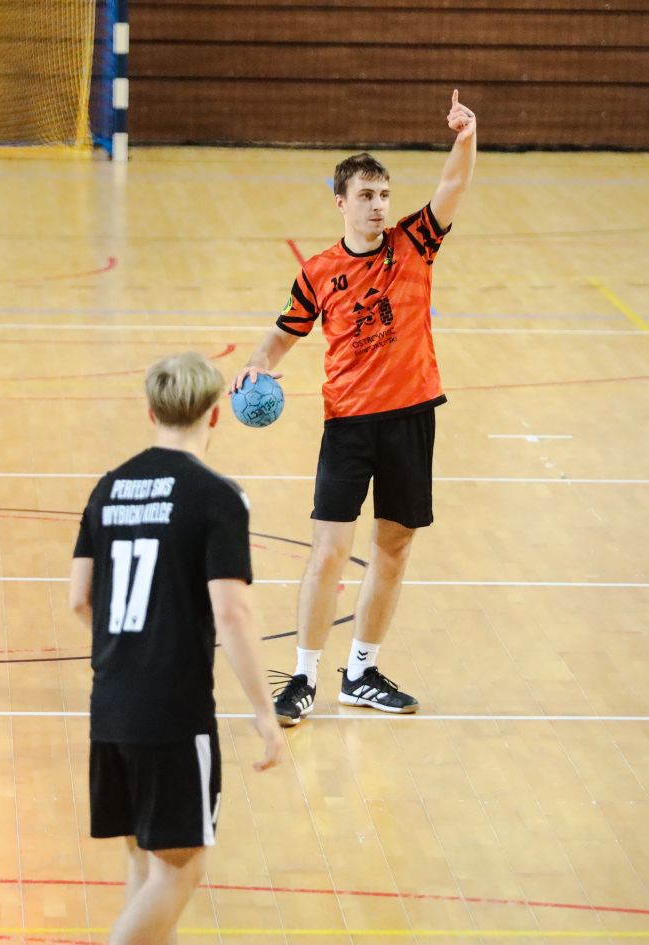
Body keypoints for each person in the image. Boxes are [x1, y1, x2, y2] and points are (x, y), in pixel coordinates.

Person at [231, 90, 477, 726]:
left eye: (384, 195)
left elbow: (453, 185)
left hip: (412, 416)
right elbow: (284, 333)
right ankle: (304, 677)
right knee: (328, 552)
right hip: (348, 424)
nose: (378, 206)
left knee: (394, 548)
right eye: (366, 196)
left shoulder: (415, 243)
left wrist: (465, 136)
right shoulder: (319, 271)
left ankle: (361, 673)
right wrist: (258, 363)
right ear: (340, 202)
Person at [70, 352, 284, 945]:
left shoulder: (108, 488)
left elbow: (79, 598)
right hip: (173, 710)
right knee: (181, 869)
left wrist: (129, 650)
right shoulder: (216, 496)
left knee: (145, 862)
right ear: (215, 415)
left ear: (151, 412)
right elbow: (232, 612)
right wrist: (265, 713)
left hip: (111, 703)